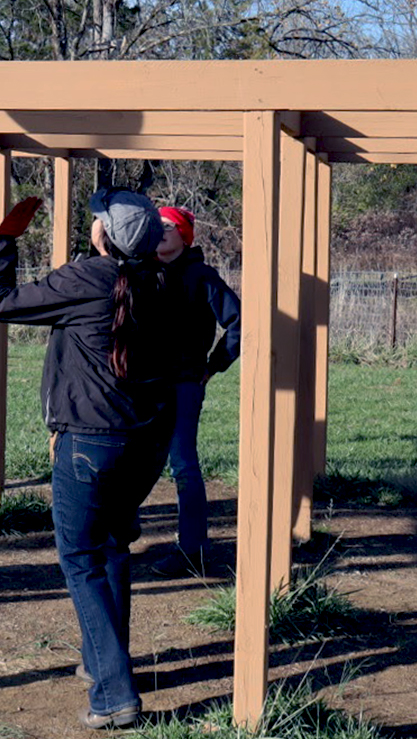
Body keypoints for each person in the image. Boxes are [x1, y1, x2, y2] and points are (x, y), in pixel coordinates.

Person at [0, 189, 172, 730]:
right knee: (112, 547)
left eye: (96, 222)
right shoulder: (161, 280)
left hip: (91, 441)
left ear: (103, 236)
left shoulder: (89, 278)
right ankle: (101, 664)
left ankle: (114, 694)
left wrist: (5, 240)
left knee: (81, 560)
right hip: (146, 443)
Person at [149, 205, 240, 578]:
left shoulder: (202, 276)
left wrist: (212, 366)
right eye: (155, 225)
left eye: (168, 226)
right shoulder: (137, 271)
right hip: (137, 386)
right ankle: (112, 541)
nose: (160, 231)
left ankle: (192, 551)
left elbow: (239, 323)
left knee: (183, 464)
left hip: (184, 385)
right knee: (124, 461)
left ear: (185, 235)